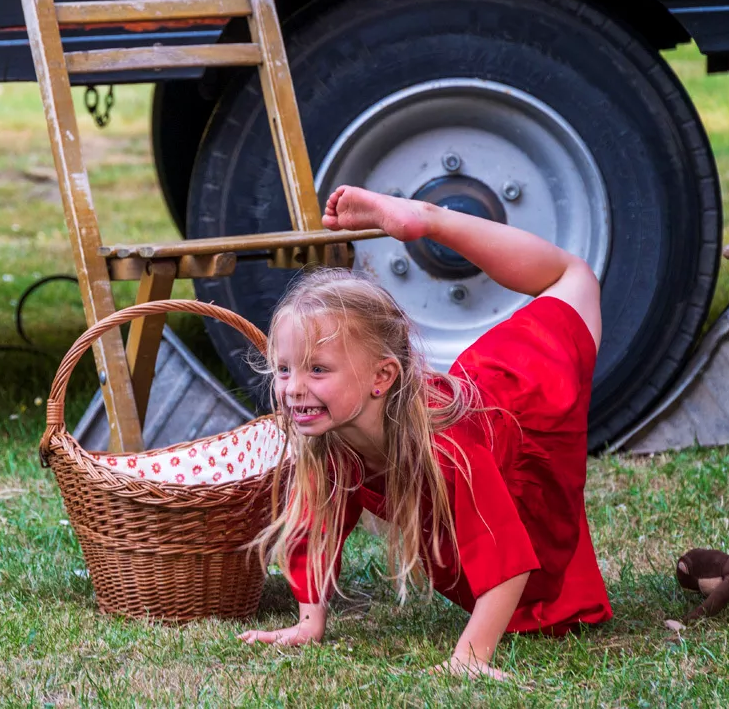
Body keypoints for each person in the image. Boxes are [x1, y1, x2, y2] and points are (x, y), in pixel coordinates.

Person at [237, 185, 612, 679]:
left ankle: (430, 218)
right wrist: (309, 623)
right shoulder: (328, 431)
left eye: (318, 370)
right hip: (462, 402)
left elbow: (509, 559)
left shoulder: (448, 448)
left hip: (525, 398)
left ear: (381, 378)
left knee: (574, 275)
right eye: (284, 370)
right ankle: (428, 219)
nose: (293, 388)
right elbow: (316, 524)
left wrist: (470, 656)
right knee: (571, 275)